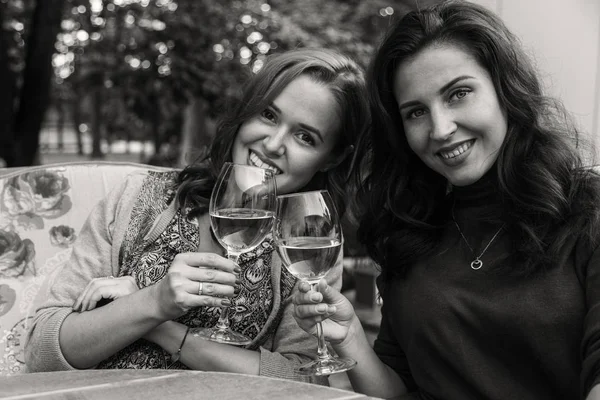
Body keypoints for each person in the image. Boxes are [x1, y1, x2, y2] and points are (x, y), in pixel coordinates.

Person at [292, 1, 600, 399]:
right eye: (416, 112)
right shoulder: (409, 230)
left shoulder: (586, 212)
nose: (440, 128)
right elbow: (398, 388)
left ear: (506, 89)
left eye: (458, 93)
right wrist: (349, 336)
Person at [25, 48, 369, 385]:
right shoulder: (138, 197)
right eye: (268, 115)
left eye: (305, 137)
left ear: (332, 158)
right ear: (247, 112)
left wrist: (161, 323)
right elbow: (42, 351)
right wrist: (154, 300)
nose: (274, 143)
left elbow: (302, 381)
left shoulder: (309, 244)